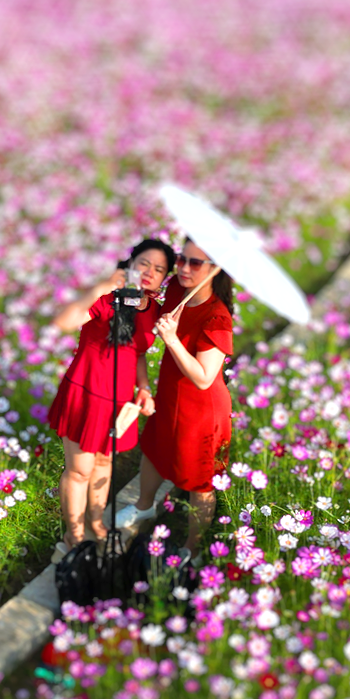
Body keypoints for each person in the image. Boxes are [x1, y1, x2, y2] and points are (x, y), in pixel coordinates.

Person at [46, 239, 176, 553]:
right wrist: (104, 285)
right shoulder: (107, 296)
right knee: (80, 470)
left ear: (163, 279)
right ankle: (74, 535)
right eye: (144, 263)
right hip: (86, 392)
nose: (149, 272)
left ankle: (95, 521)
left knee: (105, 462)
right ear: (129, 264)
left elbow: (139, 353)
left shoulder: (154, 310)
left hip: (119, 400)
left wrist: (144, 387)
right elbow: (63, 322)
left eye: (159, 269)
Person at [113, 238, 234, 555]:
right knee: (155, 447)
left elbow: (204, 378)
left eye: (195, 263)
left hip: (201, 410)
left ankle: (192, 548)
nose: (183, 267)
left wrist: (172, 339)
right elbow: (150, 308)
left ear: (215, 270)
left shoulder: (217, 319)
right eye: (182, 259)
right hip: (170, 393)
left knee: (199, 481)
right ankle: (144, 507)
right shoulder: (181, 292)